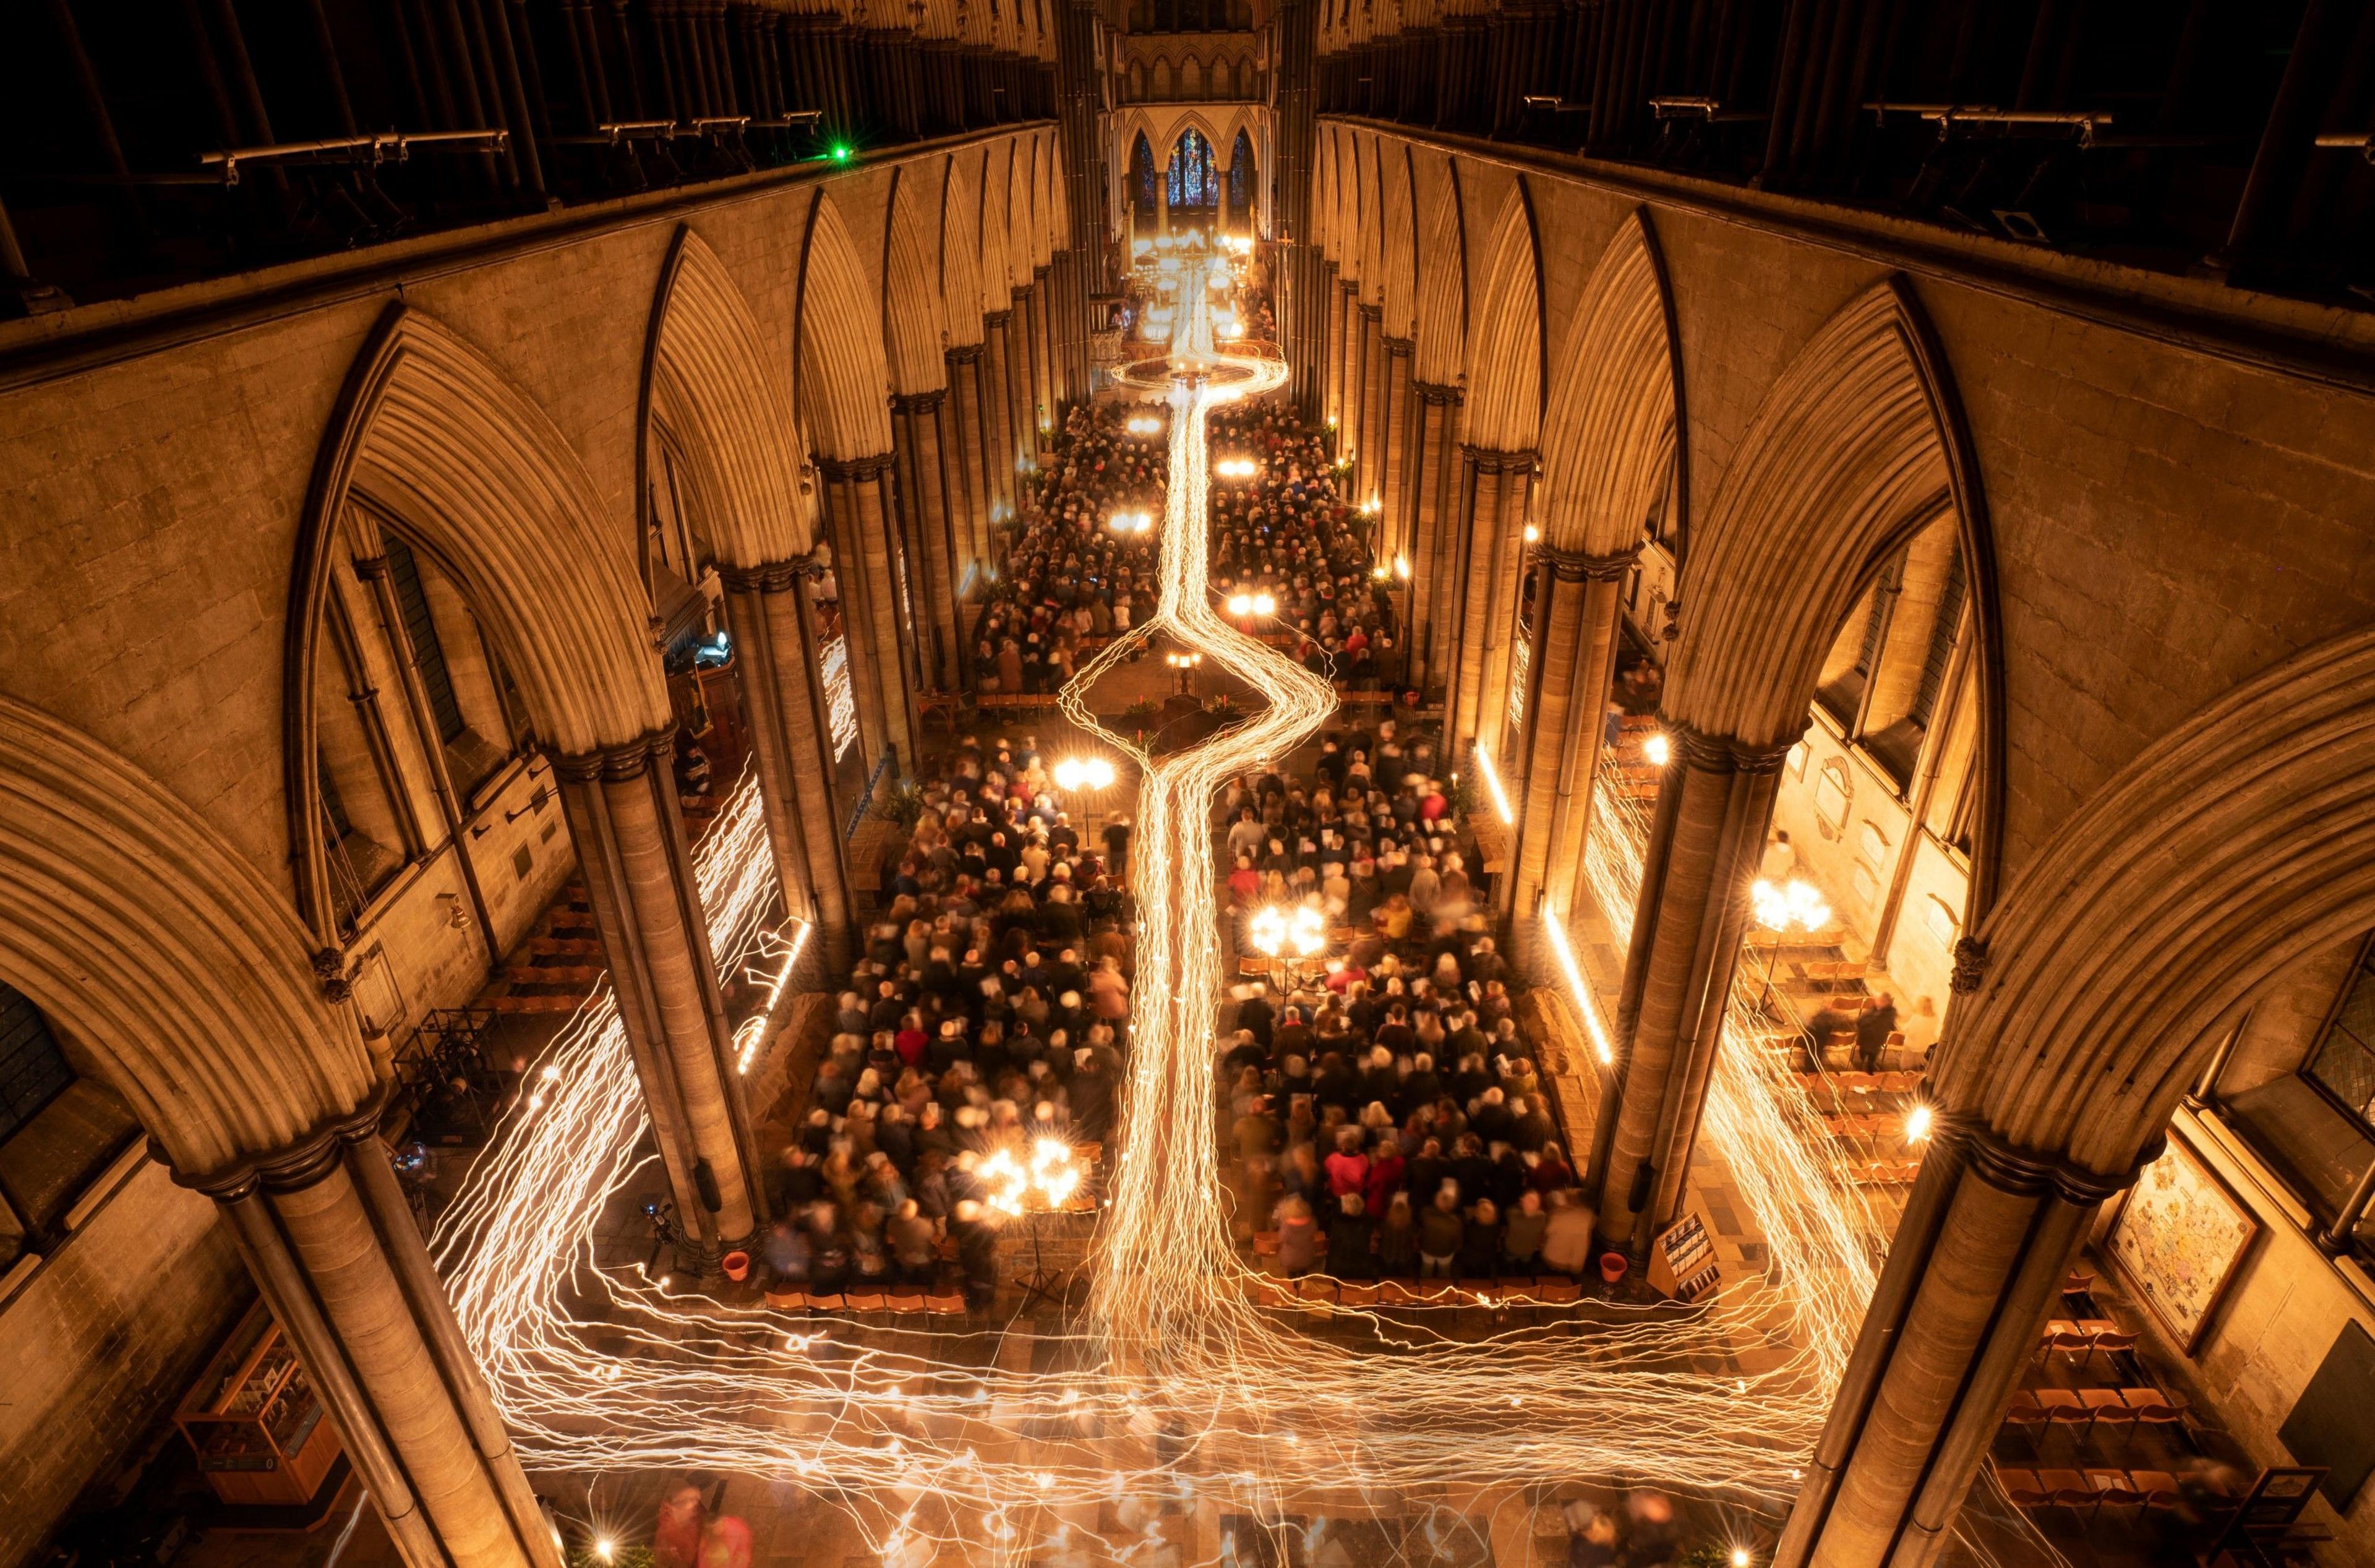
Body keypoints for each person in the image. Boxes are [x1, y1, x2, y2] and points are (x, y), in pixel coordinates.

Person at [1417, 1186, 1463, 1278]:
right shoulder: (1456, 1222)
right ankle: (1442, 1289)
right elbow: (1458, 1242)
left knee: (1426, 1270)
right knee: (1444, 1272)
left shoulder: (1426, 1214)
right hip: (1446, 1253)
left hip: (1427, 1250)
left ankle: (1425, 1288)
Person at [1855, 991, 1899, 1073]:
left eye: (1878, 1000)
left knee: (1864, 1056)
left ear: (1883, 1002)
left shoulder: (1875, 1016)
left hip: (1867, 1041)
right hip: (1879, 1042)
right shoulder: (1891, 1014)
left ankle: (1862, 1072)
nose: (1875, 1001)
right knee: (1872, 1059)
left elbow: (1860, 1021)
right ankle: (1870, 1072)